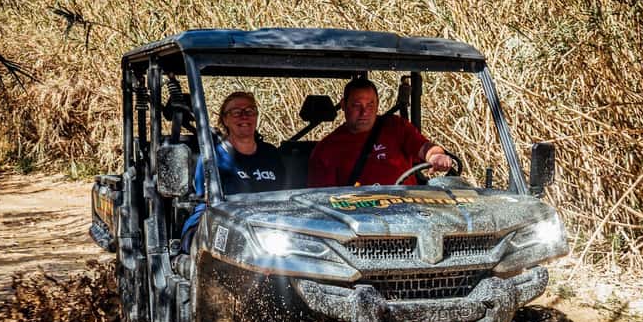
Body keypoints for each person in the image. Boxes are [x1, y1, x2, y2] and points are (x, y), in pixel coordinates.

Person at [180, 91, 284, 253]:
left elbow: (285, 196)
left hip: (269, 224)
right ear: (225, 120)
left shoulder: (271, 153)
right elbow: (208, 201)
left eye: (249, 111)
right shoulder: (212, 157)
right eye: (236, 113)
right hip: (220, 221)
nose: (244, 117)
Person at [308, 78, 453, 187]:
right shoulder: (326, 150)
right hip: (361, 219)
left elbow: (424, 148)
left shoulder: (396, 127)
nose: (364, 112)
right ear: (343, 106)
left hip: (409, 212)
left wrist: (436, 156)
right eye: (357, 105)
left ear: (378, 105)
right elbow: (323, 201)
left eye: (370, 105)